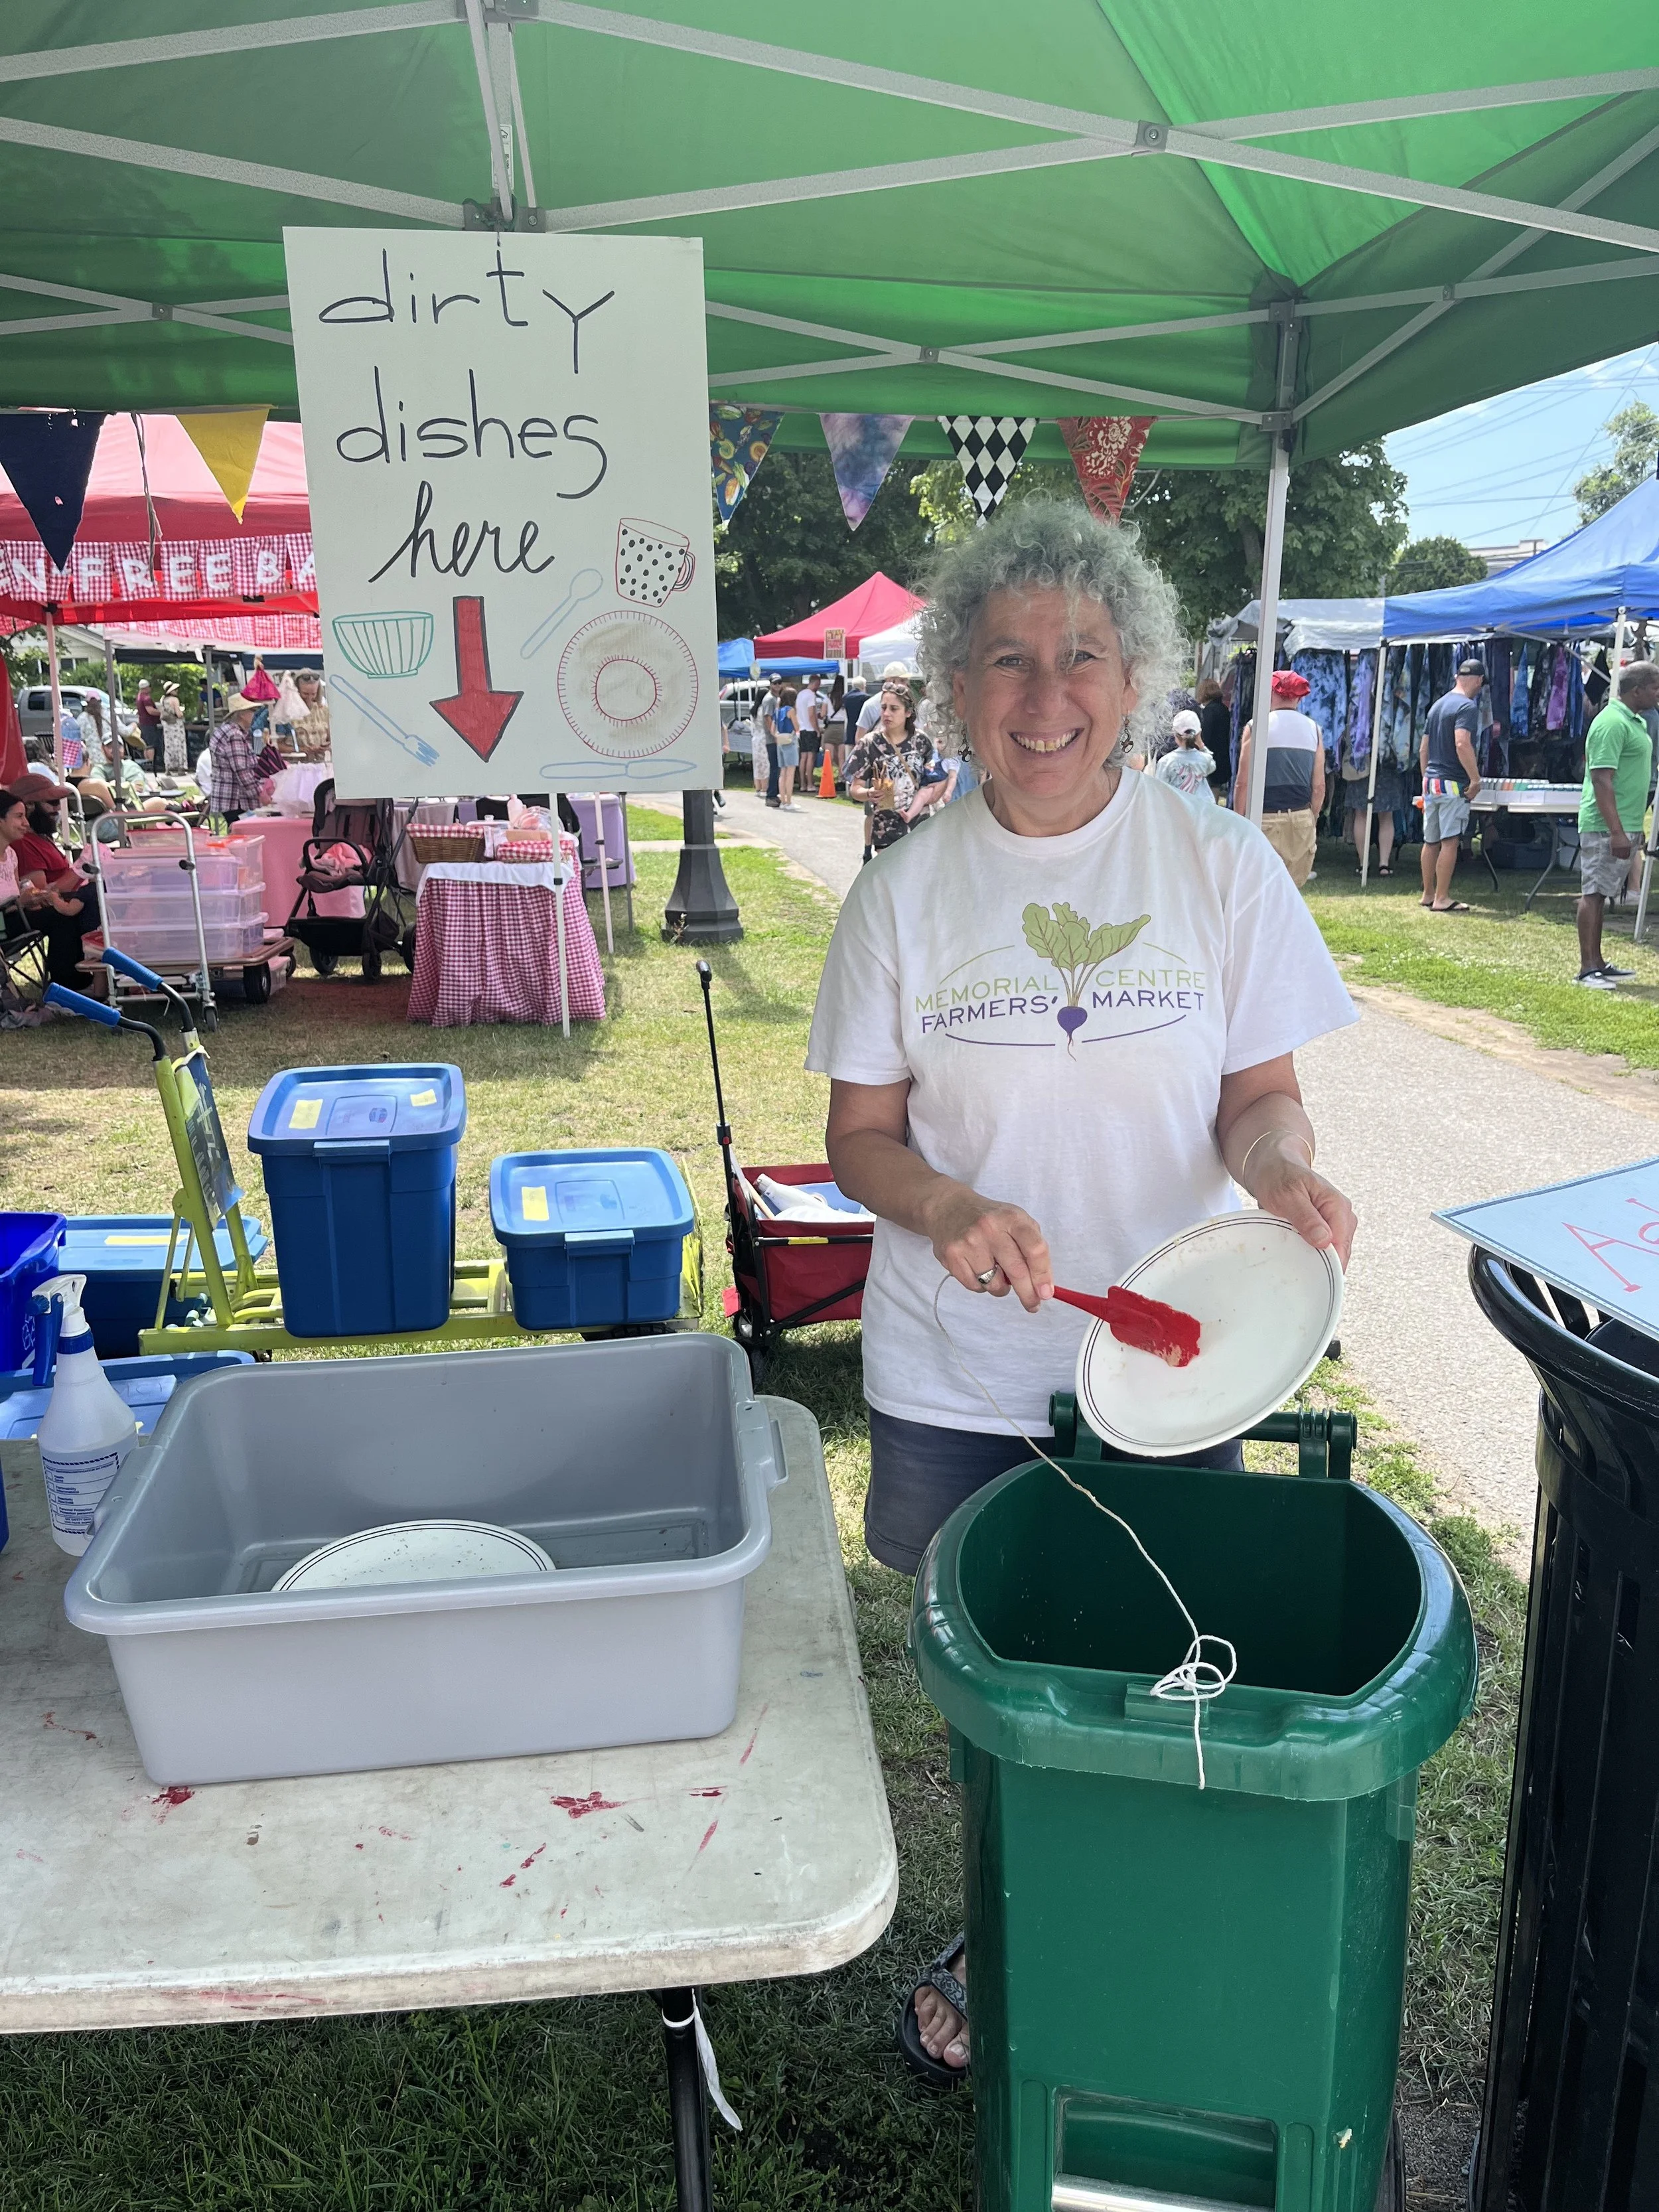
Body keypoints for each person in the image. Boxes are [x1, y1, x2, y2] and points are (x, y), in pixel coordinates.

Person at [804, 502, 1357, 2083]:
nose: (1045, 695)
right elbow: (857, 1142)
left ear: (1137, 681)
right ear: (954, 687)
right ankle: (1010, 1919)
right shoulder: (901, 893)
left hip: (1179, 1357)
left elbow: (1262, 1095)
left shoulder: (1218, 862)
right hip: (959, 1358)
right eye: (1006, 662)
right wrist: (951, 1203)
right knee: (1004, 1673)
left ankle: (1145, 1918)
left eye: (1083, 658)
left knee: (1166, 1651)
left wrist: (1281, 1171)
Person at [1575, 659, 1659, 988]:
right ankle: (1586, 969)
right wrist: (1616, 831)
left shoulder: (1635, 721)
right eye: (1655, 687)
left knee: (1604, 892)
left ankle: (1598, 962)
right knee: (1593, 893)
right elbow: (1601, 780)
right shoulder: (1611, 722)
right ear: (1636, 690)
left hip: (1625, 822)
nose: (1658, 693)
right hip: (1605, 824)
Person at [1234, 669, 1326, 888]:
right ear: (1299, 696)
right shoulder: (1314, 729)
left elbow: (1242, 781)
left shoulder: (1255, 727)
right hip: (1300, 816)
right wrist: (1312, 815)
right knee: (1292, 894)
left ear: (1271, 693)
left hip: (1264, 817)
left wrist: (1239, 817)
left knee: (1259, 891)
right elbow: (1319, 785)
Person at [3, 771, 97, 984]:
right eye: (52, 802)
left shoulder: (33, 841)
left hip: (25, 909)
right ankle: (72, 984)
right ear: (29, 806)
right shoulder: (23, 844)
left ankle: (103, 976)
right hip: (15, 916)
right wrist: (81, 870)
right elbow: (41, 895)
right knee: (66, 914)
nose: (57, 809)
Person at [844, 679, 946, 859]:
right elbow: (855, 788)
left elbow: (937, 779)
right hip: (886, 828)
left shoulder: (921, 741)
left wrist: (928, 796)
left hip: (919, 826)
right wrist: (869, 793)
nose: (887, 714)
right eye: (884, 708)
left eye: (894, 709)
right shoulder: (870, 743)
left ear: (908, 712)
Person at [1417, 659, 1485, 914]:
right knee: (1450, 841)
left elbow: (1424, 748)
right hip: (1452, 783)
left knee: (1430, 841)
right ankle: (1442, 898)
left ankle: (1428, 893)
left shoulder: (1437, 706)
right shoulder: (1467, 707)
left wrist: (1426, 780)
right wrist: (1475, 778)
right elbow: (1462, 743)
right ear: (1478, 681)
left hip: (1431, 781)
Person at [208, 692, 263, 824]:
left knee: (237, 834)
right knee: (243, 836)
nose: (254, 714)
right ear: (242, 714)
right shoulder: (235, 735)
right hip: (236, 799)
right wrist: (260, 794)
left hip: (228, 798)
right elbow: (242, 771)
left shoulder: (224, 730)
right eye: (252, 711)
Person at [1153, 708, 1216, 810]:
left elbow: (1160, 790)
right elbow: (1212, 766)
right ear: (1198, 734)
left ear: (1175, 734)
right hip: (1203, 810)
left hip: (1177, 810)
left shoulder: (1166, 762)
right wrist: (1201, 745)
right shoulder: (1205, 759)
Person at [1196, 674, 1231, 791]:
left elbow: (1206, 736)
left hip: (1210, 757)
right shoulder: (1224, 709)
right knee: (1215, 790)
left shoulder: (1209, 711)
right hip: (1222, 757)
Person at [771, 683, 801, 810]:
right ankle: (789, 801)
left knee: (782, 772)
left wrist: (777, 735)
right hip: (790, 741)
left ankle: (783, 800)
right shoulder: (791, 710)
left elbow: (772, 729)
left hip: (780, 741)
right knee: (791, 772)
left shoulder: (777, 711)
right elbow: (797, 727)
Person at [794, 673, 822, 790]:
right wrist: (817, 729)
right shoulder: (811, 695)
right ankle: (810, 783)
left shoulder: (800, 694)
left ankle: (803, 784)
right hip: (810, 729)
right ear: (816, 683)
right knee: (811, 756)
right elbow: (811, 714)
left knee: (803, 756)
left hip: (802, 728)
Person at [158, 681, 189, 774]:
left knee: (169, 746)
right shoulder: (175, 700)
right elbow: (178, 714)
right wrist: (182, 713)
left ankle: (168, 767)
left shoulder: (163, 699)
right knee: (179, 745)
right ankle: (180, 767)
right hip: (176, 725)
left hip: (167, 726)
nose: (177, 691)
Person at [135, 678, 163, 767]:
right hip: (149, 724)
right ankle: (152, 763)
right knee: (151, 744)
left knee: (146, 744)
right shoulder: (146, 698)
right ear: (147, 687)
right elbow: (150, 711)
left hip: (143, 723)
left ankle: (147, 762)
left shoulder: (139, 696)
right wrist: (162, 712)